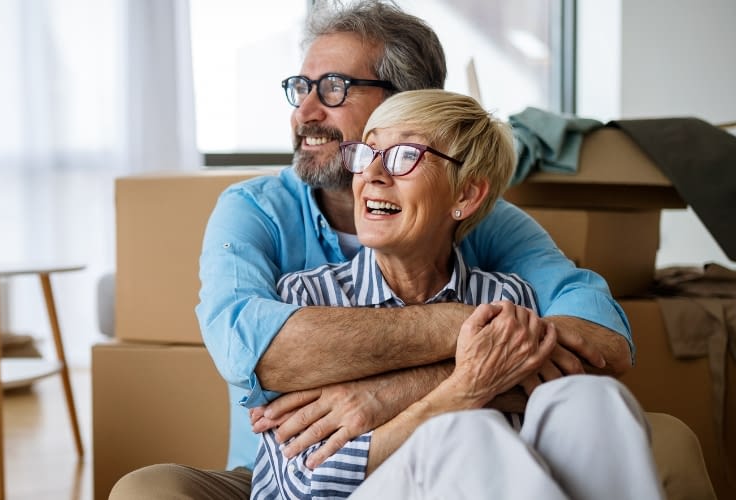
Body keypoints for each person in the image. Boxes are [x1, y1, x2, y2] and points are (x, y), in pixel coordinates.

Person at [109, 1, 634, 498]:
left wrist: (394, 392)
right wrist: (474, 334)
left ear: (410, 101)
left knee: (588, 406)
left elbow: (601, 341)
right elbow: (256, 354)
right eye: (301, 88)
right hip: (291, 473)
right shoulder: (256, 214)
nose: (306, 112)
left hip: (462, 459)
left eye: (334, 88)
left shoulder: (488, 223)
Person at [250, 89, 660, 499]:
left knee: (592, 397)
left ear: (465, 195)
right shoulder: (305, 296)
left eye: (405, 155)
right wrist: (464, 390)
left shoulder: (510, 298)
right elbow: (306, 481)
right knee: (468, 428)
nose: (373, 174)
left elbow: (589, 368)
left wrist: (397, 396)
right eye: (366, 153)